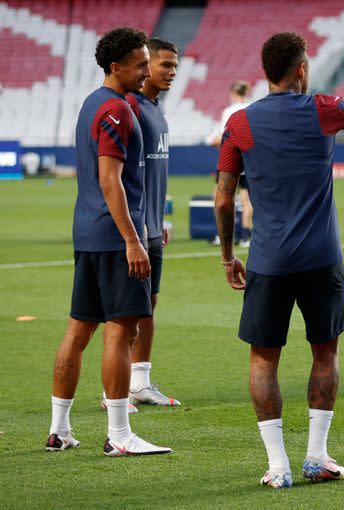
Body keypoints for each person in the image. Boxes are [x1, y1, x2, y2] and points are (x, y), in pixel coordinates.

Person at [214, 32, 344, 488]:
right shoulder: (322, 109)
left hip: (267, 261)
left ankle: (278, 466)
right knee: (325, 352)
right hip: (320, 258)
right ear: (301, 70)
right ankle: (316, 456)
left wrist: (229, 255)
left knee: (263, 360)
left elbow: (223, 197)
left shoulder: (240, 123)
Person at [45, 26, 172, 456]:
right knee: (121, 331)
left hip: (88, 234)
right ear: (115, 67)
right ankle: (119, 435)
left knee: (78, 330)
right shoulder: (117, 109)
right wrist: (134, 241)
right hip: (116, 238)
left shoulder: (90, 104)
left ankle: (59, 430)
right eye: (139, 64)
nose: (145, 71)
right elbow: (109, 179)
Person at [124, 37, 181, 407]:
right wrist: (135, 228)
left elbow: (155, 173)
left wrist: (161, 217)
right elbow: (118, 175)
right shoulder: (130, 108)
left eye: (175, 66)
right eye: (165, 65)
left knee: (149, 305)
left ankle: (140, 382)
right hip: (133, 230)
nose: (172, 72)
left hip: (153, 226)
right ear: (145, 66)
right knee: (126, 312)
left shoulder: (157, 110)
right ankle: (113, 389)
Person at [208, 81, 253, 247]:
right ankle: (245, 236)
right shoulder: (252, 108)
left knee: (222, 198)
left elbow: (224, 137)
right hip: (248, 159)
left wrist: (213, 141)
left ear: (233, 93)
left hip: (230, 159)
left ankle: (225, 234)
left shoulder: (229, 111)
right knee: (247, 199)